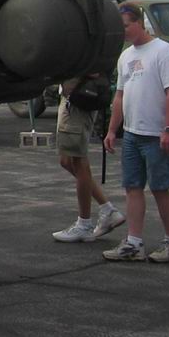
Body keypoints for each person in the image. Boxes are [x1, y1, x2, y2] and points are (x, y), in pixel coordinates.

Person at [102, 2, 169, 263]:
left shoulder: (162, 51)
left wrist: (168, 129)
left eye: (127, 26)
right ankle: (134, 243)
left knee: (160, 188)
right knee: (132, 187)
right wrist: (112, 130)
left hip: (156, 134)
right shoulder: (125, 56)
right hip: (132, 133)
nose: (124, 31)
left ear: (139, 22)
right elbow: (120, 95)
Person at [51, 73, 124, 243]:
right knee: (66, 160)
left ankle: (84, 224)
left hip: (79, 95)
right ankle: (107, 210)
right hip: (72, 95)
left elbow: (92, 67)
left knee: (77, 159)